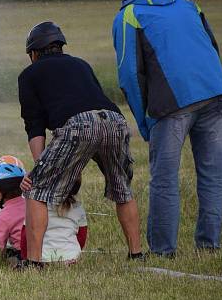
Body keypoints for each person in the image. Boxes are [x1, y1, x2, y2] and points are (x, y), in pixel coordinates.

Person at [113, 0, 222, 257]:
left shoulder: (128, 15)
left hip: (172, 104)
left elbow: (129, 77)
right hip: (216, 91)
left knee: (164, 179)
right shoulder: (190, 4)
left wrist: (144, 122)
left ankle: (163, 251)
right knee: (212, 174)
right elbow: (213, 47)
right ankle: (209, 247)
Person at [18, 21, 144, 268]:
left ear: (34, 53)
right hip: (115, 121)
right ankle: (136, 254)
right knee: (122, 189)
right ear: (60, 46)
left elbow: (34, 124)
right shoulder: (80, 64)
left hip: (78, 124)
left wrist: (40, 166)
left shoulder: (29, 74)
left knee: (36, 191)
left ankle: (33, 262)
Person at [19, 179, 88, 264]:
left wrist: (26, 259)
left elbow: (26, 236)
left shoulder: (36, 207)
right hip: (71, 259)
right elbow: (81, 237)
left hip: (42, 260)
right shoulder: (78, 208)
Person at [0, 155, 26, 262]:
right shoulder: (31, 206)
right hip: (41, 251)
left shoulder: (3, 216)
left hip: (22, 255)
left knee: (11, 260)